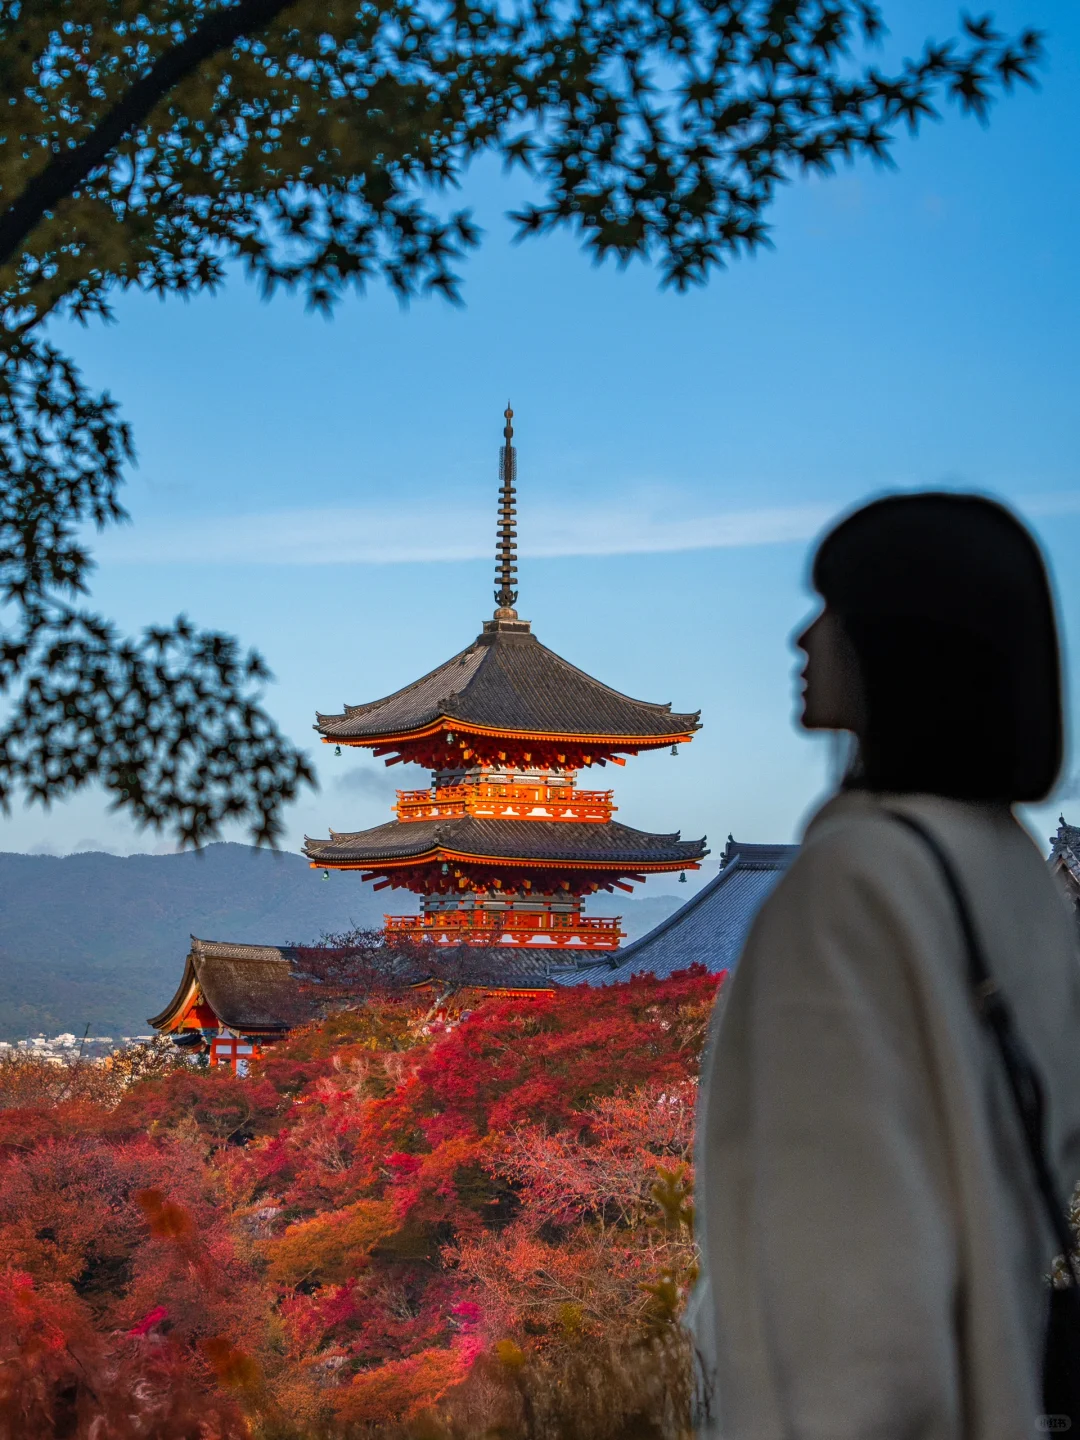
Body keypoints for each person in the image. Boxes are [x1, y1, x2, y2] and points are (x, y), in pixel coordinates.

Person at [691, 493, 1080, 1439]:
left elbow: (847, 1281)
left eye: (833, 612)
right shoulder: (1017, 872)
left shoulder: (850, 884)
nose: (801, 639)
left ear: (902, 646)